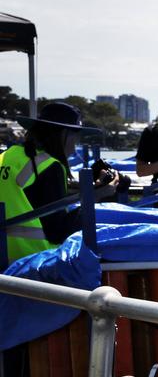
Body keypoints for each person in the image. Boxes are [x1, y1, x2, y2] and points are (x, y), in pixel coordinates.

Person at [1, 101, 121, 262]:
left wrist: (89, 190)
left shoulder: (7, 156)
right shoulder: (50, 166)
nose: (76, 143)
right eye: (76, 135)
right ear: (63, 134)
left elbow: (30, 196)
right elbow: (58, 230)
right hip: (33, 260)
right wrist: (97, 196)